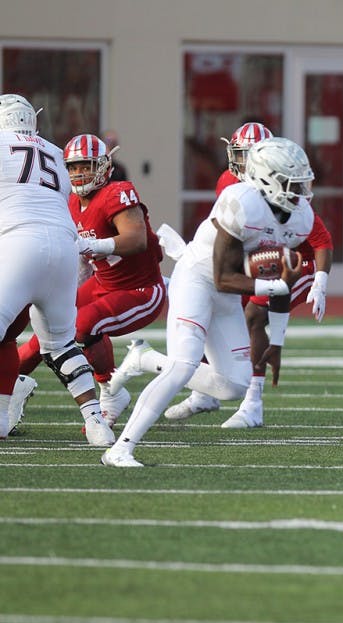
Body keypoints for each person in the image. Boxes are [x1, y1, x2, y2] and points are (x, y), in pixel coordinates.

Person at [100, 137, 314, 467]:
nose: (300, 190)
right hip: (198, 278)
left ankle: (145, 359)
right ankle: (121, 449)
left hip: (228, 291)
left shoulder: (301, 219)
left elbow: (280, 281)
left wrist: (278, 341)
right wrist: (274, 283)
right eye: (291, 181)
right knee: (184, 364)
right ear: (267, 179)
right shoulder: (240, 202)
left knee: (234, 385)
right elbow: (222, 276)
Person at [160, 122, 334, 428]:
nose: (244, 163)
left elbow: (322, 241)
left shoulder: (286, 187)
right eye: (240, 154)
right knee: (215, 309)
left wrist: (320, 281)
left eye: (252, 155)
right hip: (255, 261)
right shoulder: (230, 183)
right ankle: (206, 390)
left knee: (254, 313)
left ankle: (253, 402)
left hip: (295, 263)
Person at [16, 133, 165, 428]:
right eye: (72, 167)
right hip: (102, 283)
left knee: (83, 325)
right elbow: (81, 259)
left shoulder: (117, 192)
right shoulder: (71, 202)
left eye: (85, 166)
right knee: (45, 331)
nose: (78, 173)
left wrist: (96, 246)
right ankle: (8, 386)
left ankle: (110, 390)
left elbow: (136, 240)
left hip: (139, 290)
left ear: (104, 166)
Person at [0, 94, 114, 446]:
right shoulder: (51, 149)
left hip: (19, 242)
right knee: (61, 344)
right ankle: (97, 423)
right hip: (64, 245)